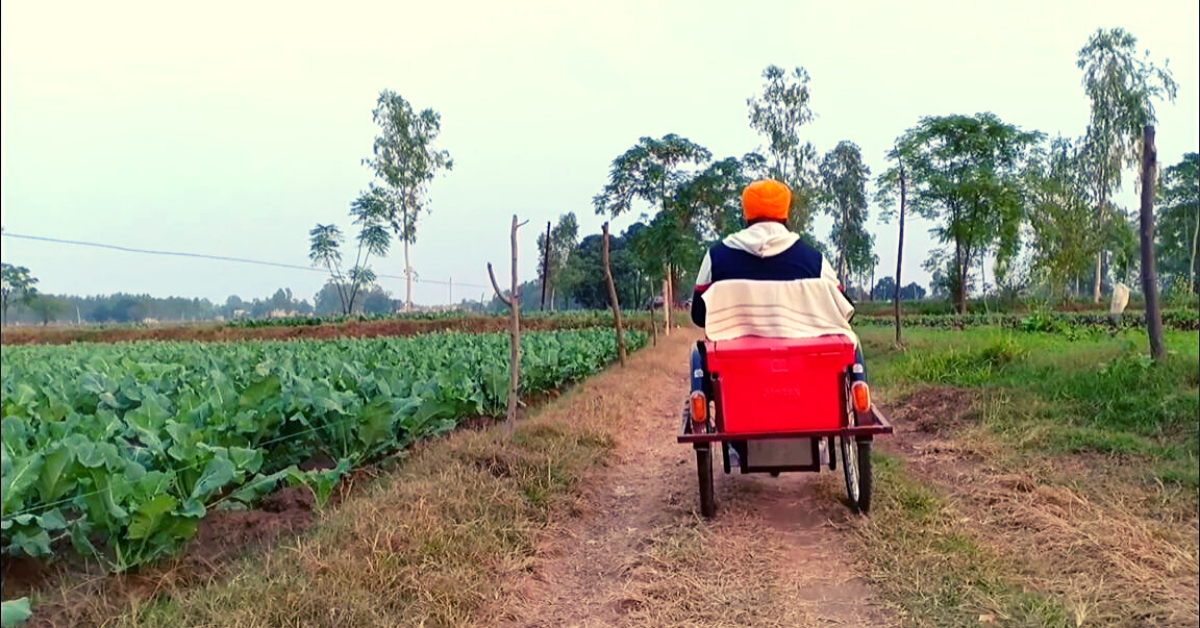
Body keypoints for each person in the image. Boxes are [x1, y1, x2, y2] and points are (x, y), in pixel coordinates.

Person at [688, 178, 867, 402]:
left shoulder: (716, 257)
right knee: (852, 341)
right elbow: (844, 308)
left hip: (738, 372)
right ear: (786, 214)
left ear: (746, 214)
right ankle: (861, 407)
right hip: (807, 370)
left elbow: (699, 315)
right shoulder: (814, 260)